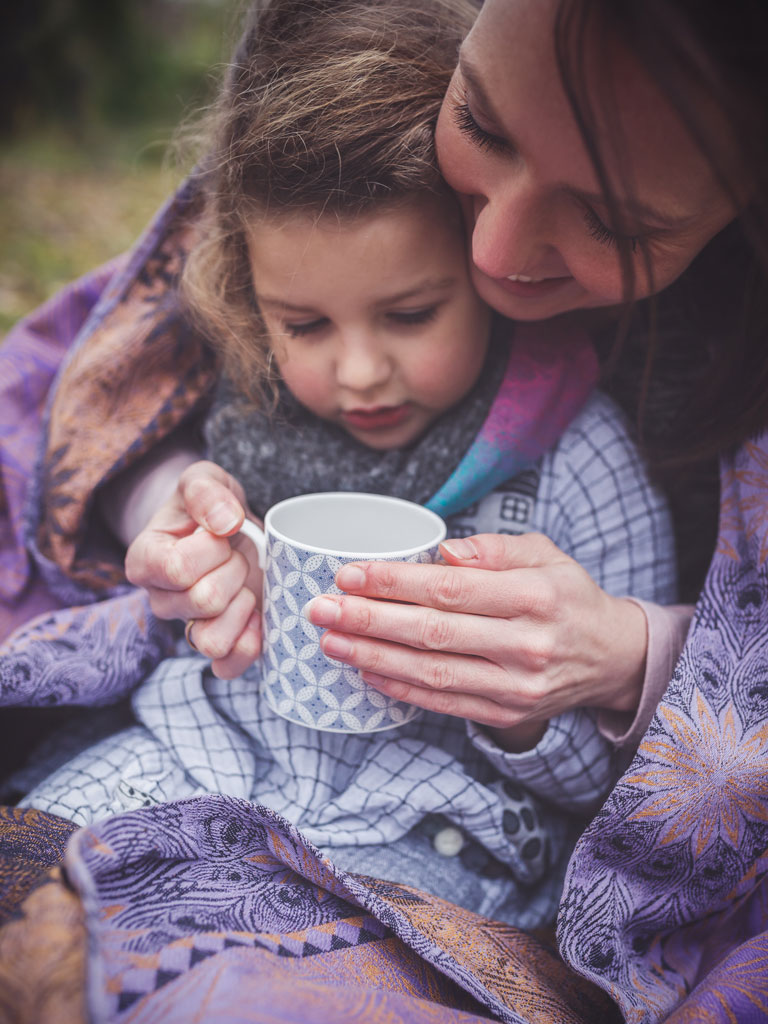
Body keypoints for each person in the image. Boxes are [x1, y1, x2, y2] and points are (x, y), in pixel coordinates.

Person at [107, 1, 768, 1019]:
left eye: (616, 219)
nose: (494, 253)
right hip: (201, 752)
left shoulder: (580, 464)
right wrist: (167, 510)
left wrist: (613, 664)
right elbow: (106, 417)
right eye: (483, 127)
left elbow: (602, 790)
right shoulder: (306, 247)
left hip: (430, 836)